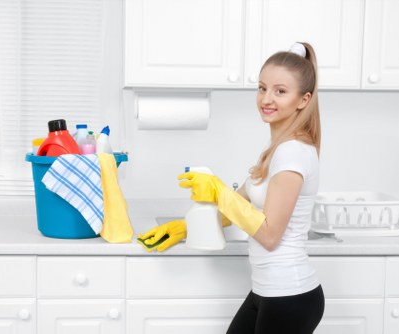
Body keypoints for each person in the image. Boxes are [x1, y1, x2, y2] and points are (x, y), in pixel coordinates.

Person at [138, 42, 325, 334]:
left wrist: (218, 189)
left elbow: (270, 234)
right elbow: (234, 209)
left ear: (304, 100)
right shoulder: (275, 149)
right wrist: (184, 227)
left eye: (280, 91)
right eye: (262, 88)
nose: (267, 98)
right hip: (267, 291)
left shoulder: (294, 153)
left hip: (290, 295)